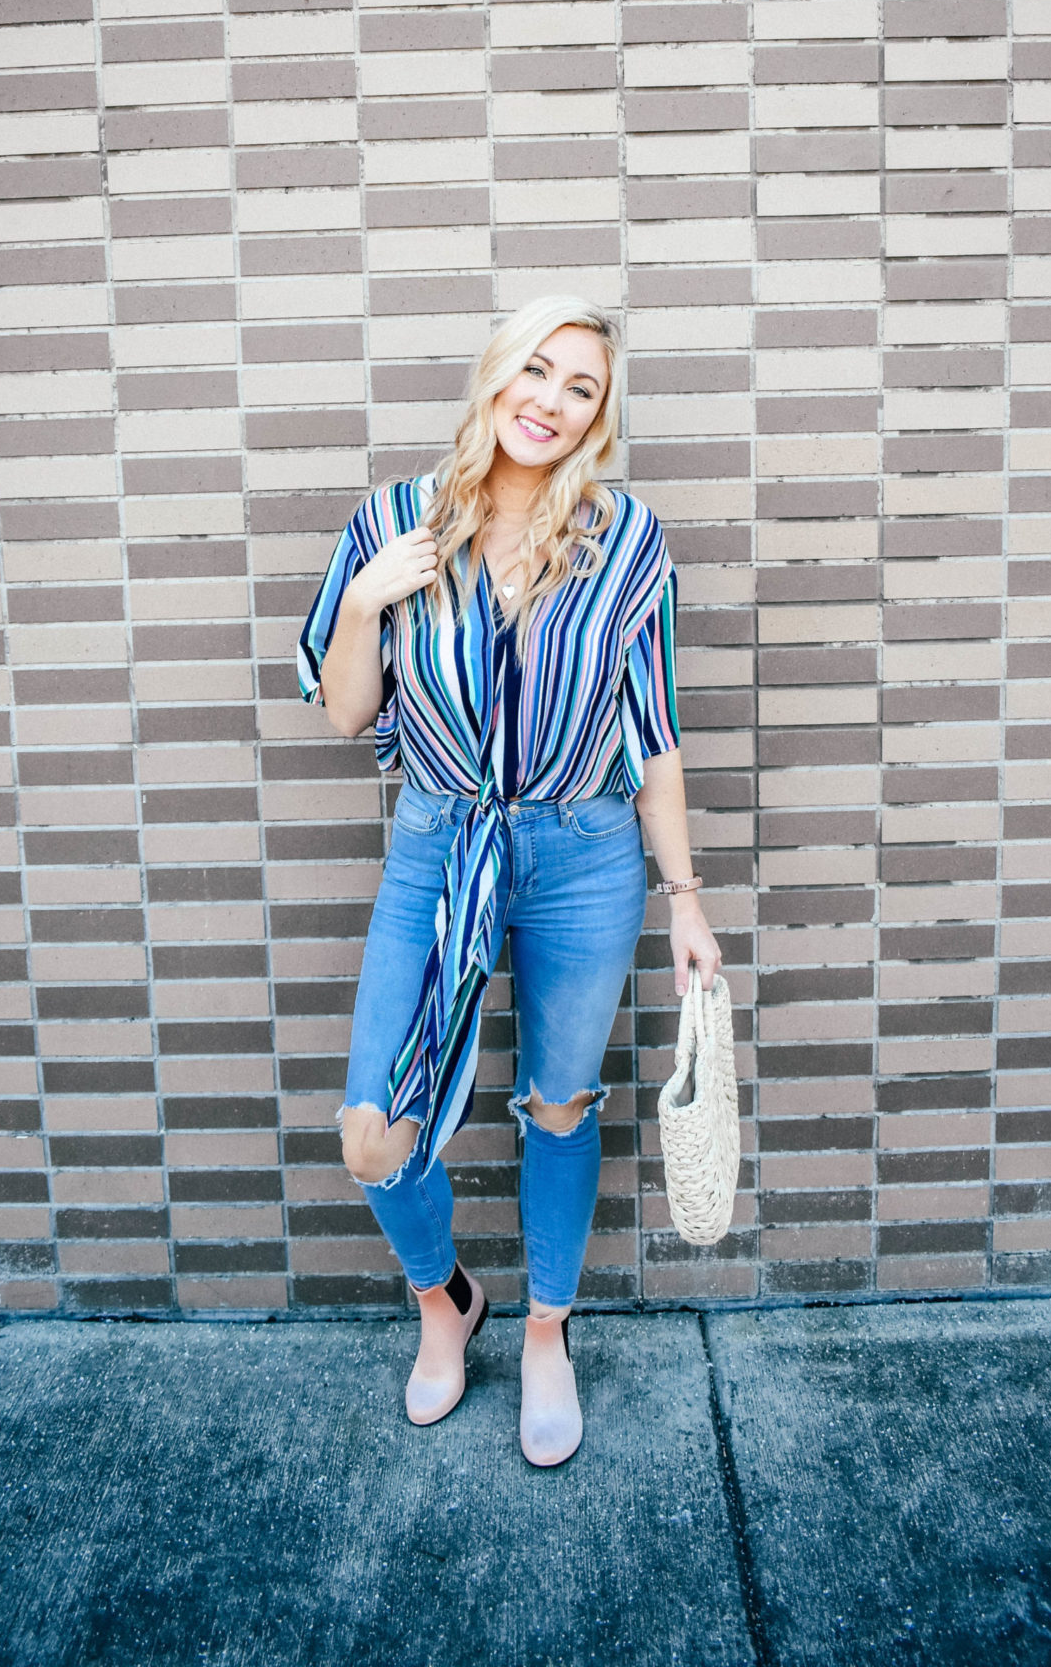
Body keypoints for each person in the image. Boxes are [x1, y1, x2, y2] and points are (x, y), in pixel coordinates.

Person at [297, 295, 721, 1467]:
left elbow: (657, 736)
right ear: (495, 377)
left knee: (560, 1105)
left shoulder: (625, 540)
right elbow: (347, 714)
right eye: (537, 371)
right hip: (439, 846)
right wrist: (371, 598)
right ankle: (447, 1306)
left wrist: (685, 897)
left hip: (584, 858)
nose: (551, 400)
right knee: (374, 1131)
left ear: (598, 418)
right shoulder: (392, 520)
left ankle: (544, 1332)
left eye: (580, 388)